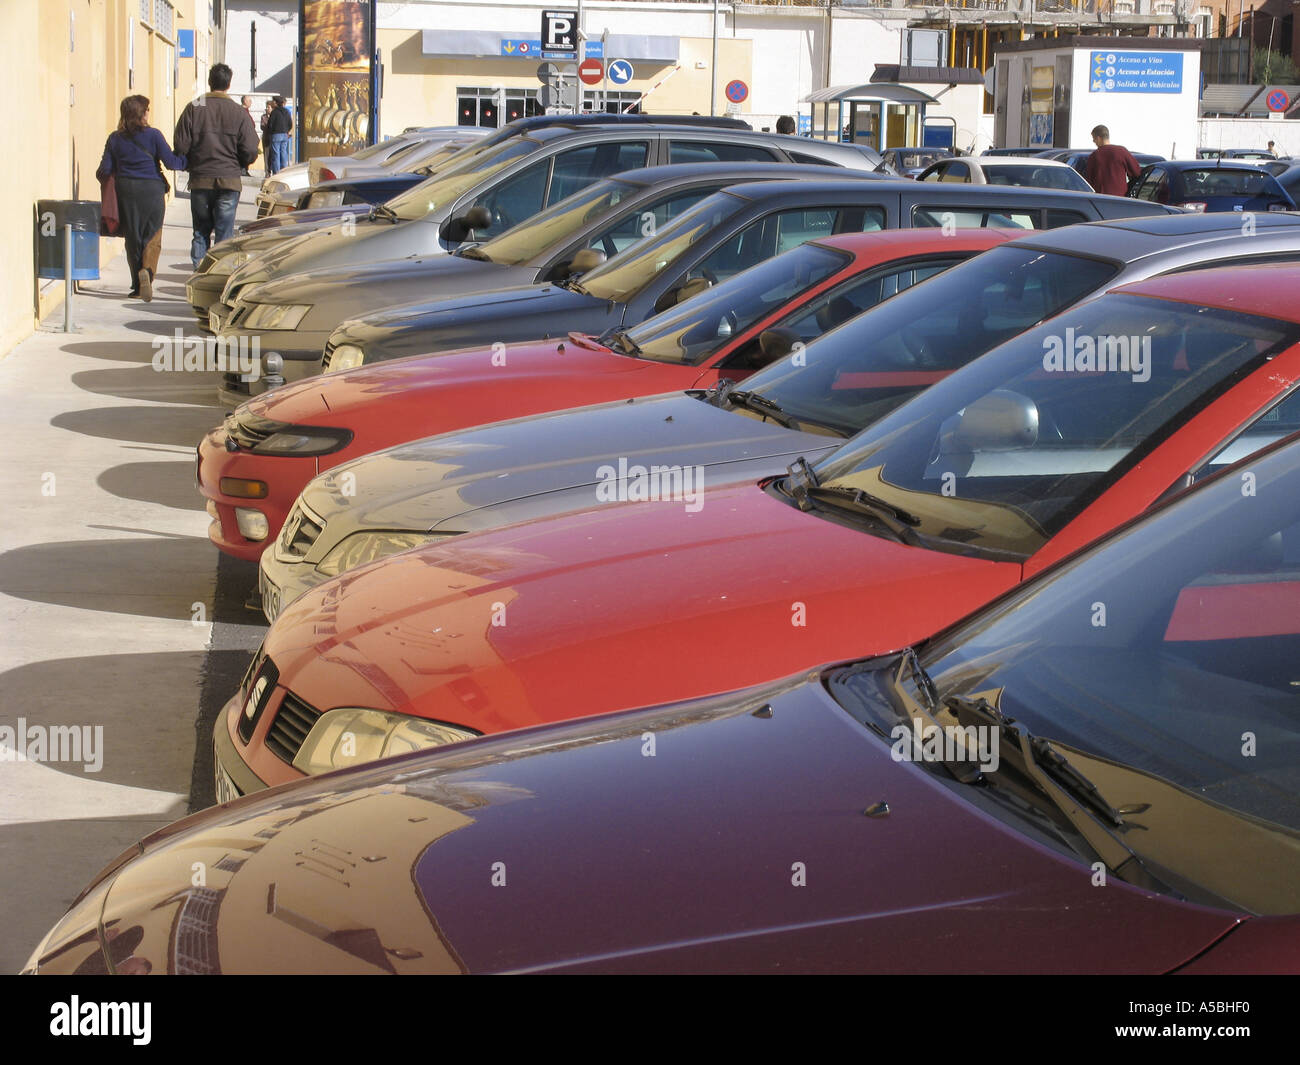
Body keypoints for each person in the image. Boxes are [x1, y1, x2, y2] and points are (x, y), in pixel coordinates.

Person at [96, 95, 185, 301]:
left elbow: (104, 170)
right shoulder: (154, 135)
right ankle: (147, 272)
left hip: (126, 190)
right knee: (152, 235)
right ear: (141, 114)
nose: (148, 113)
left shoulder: (114, 138)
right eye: (147, 110)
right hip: (152, 190)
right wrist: (186, 159)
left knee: (133, 237)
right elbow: (172, 163)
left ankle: (137, 286)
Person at [174, 63, 259, 269]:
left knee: (200, 231)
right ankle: (219, 274)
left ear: (210, 82)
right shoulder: (238, 112)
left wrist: (192, 160)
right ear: (228, 84)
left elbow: (181, 145)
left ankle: (199, 272)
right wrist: (240, 163)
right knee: (224, 234)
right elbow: (250, 149)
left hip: (201, 179)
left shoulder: (195, 107)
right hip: (229, 180)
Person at [1085, 124, 1142, 197]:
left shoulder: (1094, 156)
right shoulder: (1121, 151)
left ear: (1098, 138)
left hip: (1100, 198)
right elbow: (1137, 172)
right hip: (1120, 198)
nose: (1093, 141)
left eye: (1094, 139)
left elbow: (1088, 181)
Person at [266, 96, 294, 173]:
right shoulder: (287, 111)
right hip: (284, 135)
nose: (272, 103)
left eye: (273, 101)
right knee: (283, 153)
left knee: (276, 154)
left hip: (275, 135)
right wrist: (286, 131)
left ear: (276, 103)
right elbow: (290, 124)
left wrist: (270, 132)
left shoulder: (274, 112)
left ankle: (277, 172)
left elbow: (270, 124)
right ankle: (283, 171)